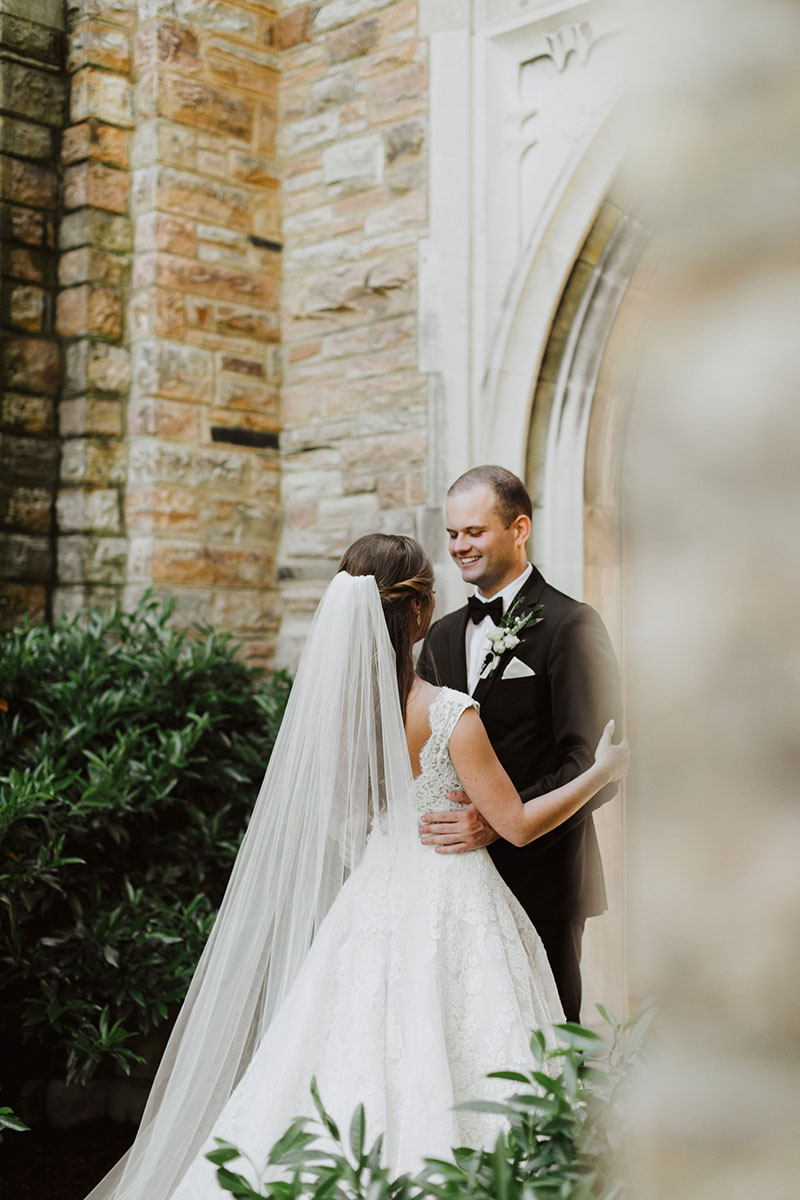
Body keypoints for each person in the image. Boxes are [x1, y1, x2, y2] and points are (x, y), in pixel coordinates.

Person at [85, 534, 628, 1200]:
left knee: (344, 1055)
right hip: (452, 897)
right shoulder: (450, 714)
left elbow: (339, 821)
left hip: (373, 898)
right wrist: (602, 770)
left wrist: (386, 852)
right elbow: (516, 825)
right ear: (420, 613)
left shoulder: (339, 718)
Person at [416, 466, 622, 1022]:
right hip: (453, 882)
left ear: (519, 528)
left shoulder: (571, 625)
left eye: (475, 532)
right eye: (453, 534)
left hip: (543, 879)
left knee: (548, 1044)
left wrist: (502, 818)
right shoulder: (438, 635)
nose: (460, 546)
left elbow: (594, 761)